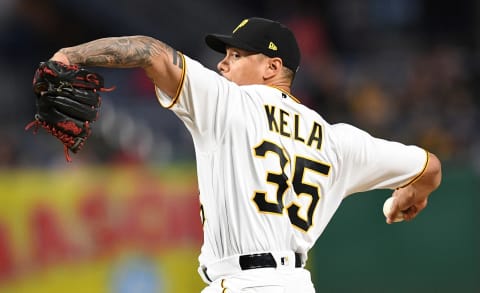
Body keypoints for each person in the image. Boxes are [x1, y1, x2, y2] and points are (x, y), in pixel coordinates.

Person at [49, 17, 442, 292]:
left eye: (237, 55)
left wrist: (70, 54)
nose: (222, 63)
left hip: (240, 284)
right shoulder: (338, 140)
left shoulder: (229, 103)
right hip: (295, 285)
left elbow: (151, 52)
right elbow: (430, 167)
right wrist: (410, 195)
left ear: (272, 67)